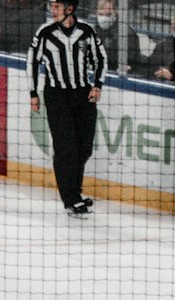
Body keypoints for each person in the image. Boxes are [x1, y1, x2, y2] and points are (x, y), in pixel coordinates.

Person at [27, 0, 108, 216]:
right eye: (51, 6)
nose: (52, 10)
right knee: (65, 149)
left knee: (84, 148)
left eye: (57, 7)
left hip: (82, 94)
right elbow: (32, 62)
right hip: (56, 95)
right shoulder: (45, 32)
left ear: (70, 9)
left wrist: (97, 85)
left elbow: (101, 58)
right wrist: (33, 93)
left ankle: (76, 192)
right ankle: (70, 199)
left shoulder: (86, 31)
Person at [92, 0, 143, 73]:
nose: (103, 18)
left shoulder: (127, 35)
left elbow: (131, 64)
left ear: (116, 12)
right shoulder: (96, 29)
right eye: (100, 14)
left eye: (108, 15)